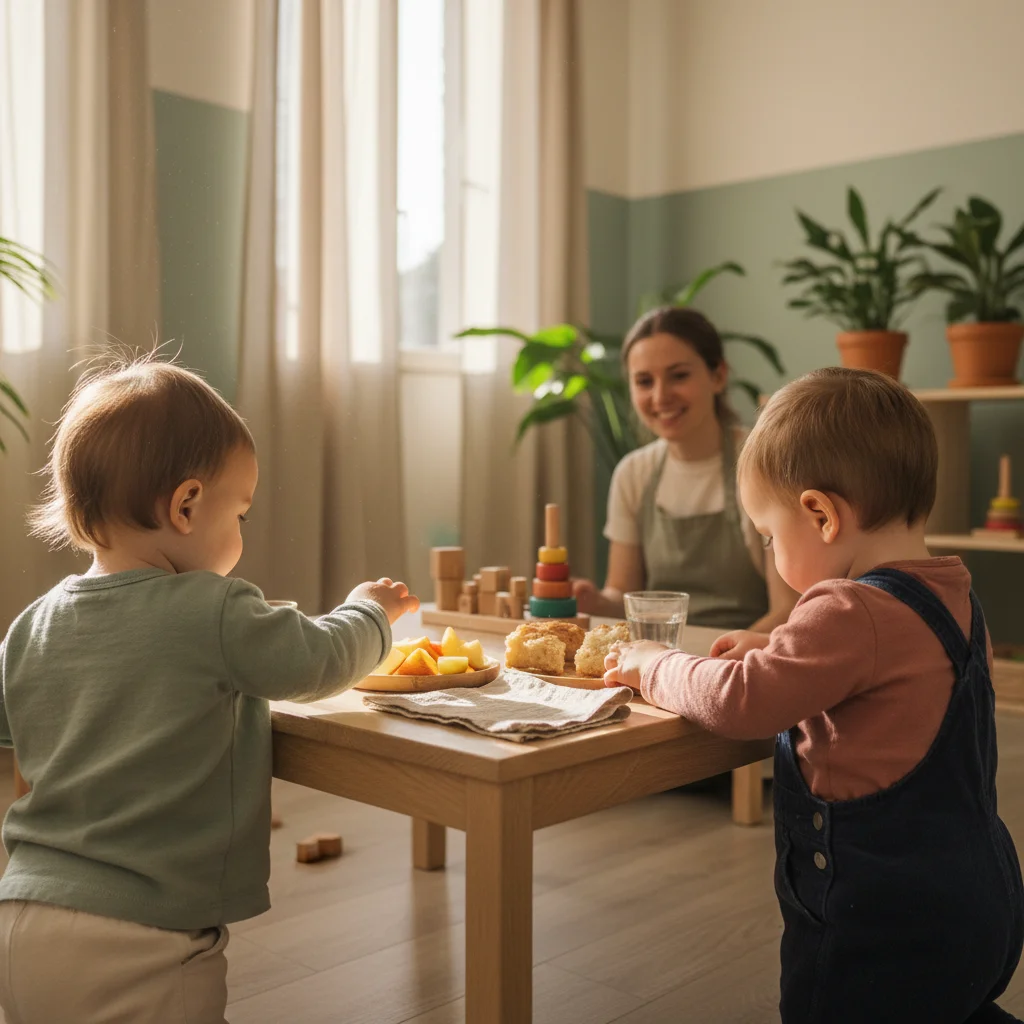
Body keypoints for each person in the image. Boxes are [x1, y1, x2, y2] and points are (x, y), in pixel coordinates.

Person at [0, 357, 419, 1023]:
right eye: (242, 513)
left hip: (22, 916)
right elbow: (319, 660)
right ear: (187, 504)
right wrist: (367, 611)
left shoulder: (33, 624)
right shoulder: (211, 608)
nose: (242, 534)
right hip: (142, 934)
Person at [605, 367, 1024, 1023]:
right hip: (980, 897)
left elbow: (743, 704)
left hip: (882, 922)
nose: (770, 551)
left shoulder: (846, 607)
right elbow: (870, 685)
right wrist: (770, 649)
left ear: (821, 515)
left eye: (769, 537)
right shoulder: (953, 593)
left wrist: (653, 663)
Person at [573, 306, 796, 631]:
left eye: (679, 376)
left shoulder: (765, 461)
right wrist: (591, 600)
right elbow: (622, 594)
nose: (660, 396)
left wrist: (713, 662)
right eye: (644, 381)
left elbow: (787, 611)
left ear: (718, 376)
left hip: (745, 661)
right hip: (662, 661)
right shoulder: (633, 473)